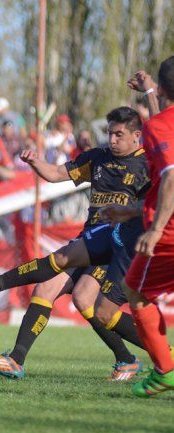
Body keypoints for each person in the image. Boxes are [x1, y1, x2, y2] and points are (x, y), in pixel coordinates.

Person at [0, 107, 150, 380]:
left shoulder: (147, 165)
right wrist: (35, 162)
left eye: (119, 134)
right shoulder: (98, 158)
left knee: (85, 298)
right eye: (110, 133)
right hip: (91, 238)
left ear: (136, 136)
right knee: (48, 288)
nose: (113, 140)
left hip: (117, 246)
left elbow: (159, 201)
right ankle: (16, 360)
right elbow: (57, 173)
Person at [123, 56, 174, 397]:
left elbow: (171, 176)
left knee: (136, 293)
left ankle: (165, 371)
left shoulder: (157, 126)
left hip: (170, 232)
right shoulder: (160, 124)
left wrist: (155, 229)